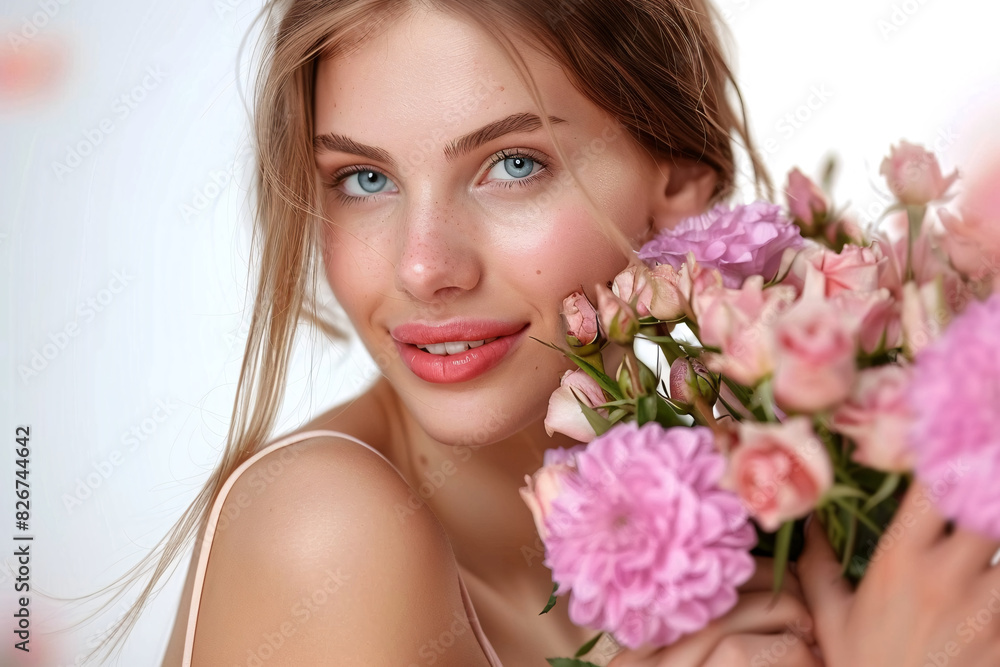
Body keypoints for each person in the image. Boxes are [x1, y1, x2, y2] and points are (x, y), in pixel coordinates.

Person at [82, 1, 1000, 665]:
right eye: (364, 179)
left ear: (678, 176)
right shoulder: (324, 527)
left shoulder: (745, 512)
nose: (422, 267)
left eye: (511, 165)